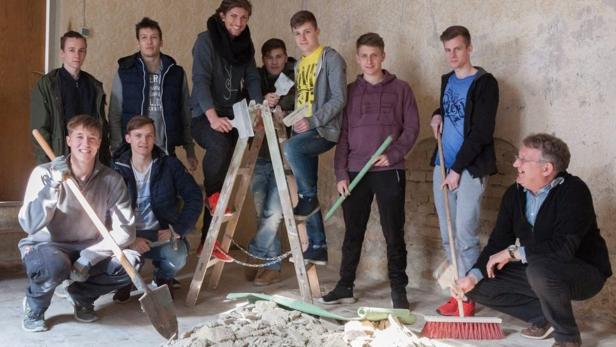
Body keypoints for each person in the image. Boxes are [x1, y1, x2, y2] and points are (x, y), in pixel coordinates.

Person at [455, 134, 611, 347]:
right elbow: (497, 242)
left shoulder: (573, 191)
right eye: (517, 158)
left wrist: (513, 253)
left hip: (583, 272)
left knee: (538, 269)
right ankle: (543, 315)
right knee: (477, 284)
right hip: (538, 268)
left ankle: (567, 338)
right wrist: (473, 276)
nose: (515, 163)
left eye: (523, 159)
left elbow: (563, 249)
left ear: (546, 169)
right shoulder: (514, 194)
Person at [319, 33, 419, 309]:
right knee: (353, 232)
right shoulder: (350, 92)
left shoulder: (401, 89)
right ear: (357, 58)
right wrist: (341, 173)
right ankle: (344, 286)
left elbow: (411, 129)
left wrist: (393, 154)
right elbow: (343, 135)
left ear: (383, 56)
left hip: (389, 169)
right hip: (355, 172)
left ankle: (399, 289)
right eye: (363, 56)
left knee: (393, 232)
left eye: (374, 55)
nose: (369, 61)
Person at [18, 115, 138, 332]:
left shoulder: (111, 179)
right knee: (54, 267)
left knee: (130, 261)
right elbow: (29, 224)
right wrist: (53, 186)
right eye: (79, 137)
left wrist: (90, 257)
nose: (86, 144)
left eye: (92, 138)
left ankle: (82, 296)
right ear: (68, 140)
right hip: (47, 246)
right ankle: (34, 305)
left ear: (100, 143)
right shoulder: (44, 173)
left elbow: (126, 231)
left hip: (88, 245)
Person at [429, 25, 499, 316]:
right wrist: (436, 115)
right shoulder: (447, 79)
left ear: (469, 48)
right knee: (447, 235)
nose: (452, 55)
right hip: (441, 165)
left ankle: (470, 297)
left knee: (465, 235)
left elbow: (482, 132)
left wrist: (457, 169)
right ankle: (456, 292)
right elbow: (448, 109)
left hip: (468, 169)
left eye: (457, 49)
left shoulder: (485, 83)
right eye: (447, 50)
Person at [190, 0, 262, 256]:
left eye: (244, 17)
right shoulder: (205, 41)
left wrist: (257, 108)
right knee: (219, 146)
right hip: (204, 115)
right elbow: (200, 81)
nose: (238, 22)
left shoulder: (246, 44)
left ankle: (208, 244)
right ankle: (211, 197)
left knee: (225, 175)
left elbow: (252, 77)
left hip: (232, 115)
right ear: (222, 16)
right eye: (233, 16)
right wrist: (211, 117)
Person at [111, 116, 202, 299]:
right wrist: (128, 239)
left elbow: (194, 197)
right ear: (128, 138)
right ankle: (126, 279)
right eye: (138, 136)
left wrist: (177, 230)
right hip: (127, 234)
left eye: (149, 136)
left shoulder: (169, 165)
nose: (143, 141)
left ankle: (163, 278)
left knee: (178, 255)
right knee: (117, 261)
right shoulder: (116, 168)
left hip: (159, 232)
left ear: (155, 138)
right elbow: (104, 209)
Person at [283, 10, 347, 265]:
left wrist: (313, 120)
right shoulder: (299, 64)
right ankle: (318, 245)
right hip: (304, 129)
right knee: (307, 189)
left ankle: (307, 200)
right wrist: (285, 110)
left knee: (293, 150)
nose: (303, 37)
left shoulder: (330, 58)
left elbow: (339, 99)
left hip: (324, 129)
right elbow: (302, 100)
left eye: (307, 31)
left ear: (317, 31)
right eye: (297, 34)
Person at [109, 17, 197, 172]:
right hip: (133, 151)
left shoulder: (176, 73)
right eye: (144, 38)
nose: (149, 42)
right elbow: (114, 113)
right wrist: (116, 147)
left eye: (154, 37)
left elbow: (185, 113)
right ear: (138, 43)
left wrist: (190, 150)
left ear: (161, 42)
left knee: (166, 192)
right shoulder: (124, 72)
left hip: (165, 148)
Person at [245, 38, 296, 286]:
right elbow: (246, 106)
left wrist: (278, 104)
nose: (274, 61)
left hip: (286, 158)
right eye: (269, 57)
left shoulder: (295, 76)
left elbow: (297, 105)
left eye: (279, 56)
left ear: (286, 57)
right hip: (258, 155)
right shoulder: (255, 80)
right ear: (263, 60)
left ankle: (257, 253)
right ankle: (270, 264)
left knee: (273, 213)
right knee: (260, 213)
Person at [30, 31, 110, 165]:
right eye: (71, 50)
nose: (77, 55)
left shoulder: (94, 85)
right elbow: (40, 130)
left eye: (81, 51)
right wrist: (46, 165)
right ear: (62, 53)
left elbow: (100, 126)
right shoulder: (47, 85)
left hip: (89, 156)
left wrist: (105, 160)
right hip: (60, 158)